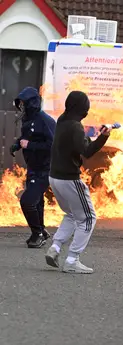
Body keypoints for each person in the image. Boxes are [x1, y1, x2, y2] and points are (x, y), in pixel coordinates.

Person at [44, 91, 112, 274]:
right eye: (86, 106)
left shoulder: (63, 121)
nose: (87, 110)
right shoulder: (75, 126)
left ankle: (55, 248)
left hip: (55, 177)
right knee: (89, 218)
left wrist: (98, 135)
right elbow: (87, 151)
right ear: (81, 107)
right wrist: (104, 136)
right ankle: (72, 260)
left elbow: (78, 144)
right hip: (69, 179)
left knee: (72, 214)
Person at [10, 87, 57, 248]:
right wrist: (17, 144)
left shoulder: (44, 120)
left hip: (45, 168)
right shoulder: (28, 119)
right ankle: (41, 232)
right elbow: (27, 136)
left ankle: (37, 233)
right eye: (20, 103)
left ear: (32, 103)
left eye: (24, 103)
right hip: (33, 167)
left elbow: (52, 145)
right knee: (37, 202)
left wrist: (29, 145)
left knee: (27, 201)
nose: (21, 106)